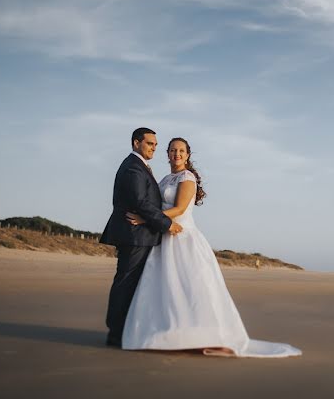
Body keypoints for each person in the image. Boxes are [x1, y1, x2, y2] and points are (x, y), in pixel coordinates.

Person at [122, 137, 301, 358]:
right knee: (167, 288)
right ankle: (171, 334)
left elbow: (179, 209)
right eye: (172, 150)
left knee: (193, 289)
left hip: (183, 238)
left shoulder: (187, 178)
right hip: (164, 238)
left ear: (187, 155)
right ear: (167, 154)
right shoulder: (166, 178)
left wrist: (144, 219)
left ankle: (206, 336)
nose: (176, 154)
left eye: (181, 150)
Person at [99, 127, 183, 348]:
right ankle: (116, 334)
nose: (153, 148)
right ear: (136, 143)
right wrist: (167, 224)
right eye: (149, 143)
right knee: (126, 283)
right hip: (134, 235)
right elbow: (141, 203)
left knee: (131, 283)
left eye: (155, 144)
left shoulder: (139, 166)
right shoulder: (133, 168)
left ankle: (124, 330)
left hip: (140, 235)